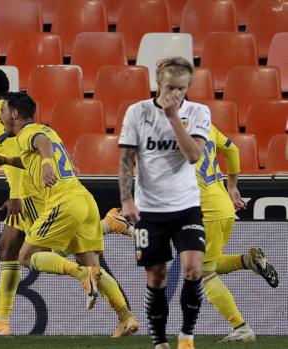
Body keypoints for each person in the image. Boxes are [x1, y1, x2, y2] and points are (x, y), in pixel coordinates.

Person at [0, 91, 138, 337]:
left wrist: (45, 165)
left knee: (25, 256)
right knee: (94, 268)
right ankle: (126, 317)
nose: (0, 118)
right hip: (84, 200)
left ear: (15, 113)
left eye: (3, 112)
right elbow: (32, 156)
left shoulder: (27, 133)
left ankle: (81, 272)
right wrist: (5, 159)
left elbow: (40, 147)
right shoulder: (47, 131)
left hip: (63, 202)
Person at [119, 57, 210, 349]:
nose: (176, 94)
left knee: (194, 269)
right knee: (156, 279)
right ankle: (159, 341)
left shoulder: (198, 112)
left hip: (186, 205)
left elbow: (194, 155)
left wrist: (173, 118)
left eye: (182, 89)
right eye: (170, 87)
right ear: (158, 83)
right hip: (150, 209)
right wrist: (126, 199)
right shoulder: (137, 112)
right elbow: (125, 159)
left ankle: (186, 334)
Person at [196, 124, 279, 342]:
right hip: (225, 207)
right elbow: (233, 150)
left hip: (208, 212)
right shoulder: (205, 125)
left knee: (204, 273)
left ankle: (241, 327)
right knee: (210, 264)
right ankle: (248, 260)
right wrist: (232, 186)